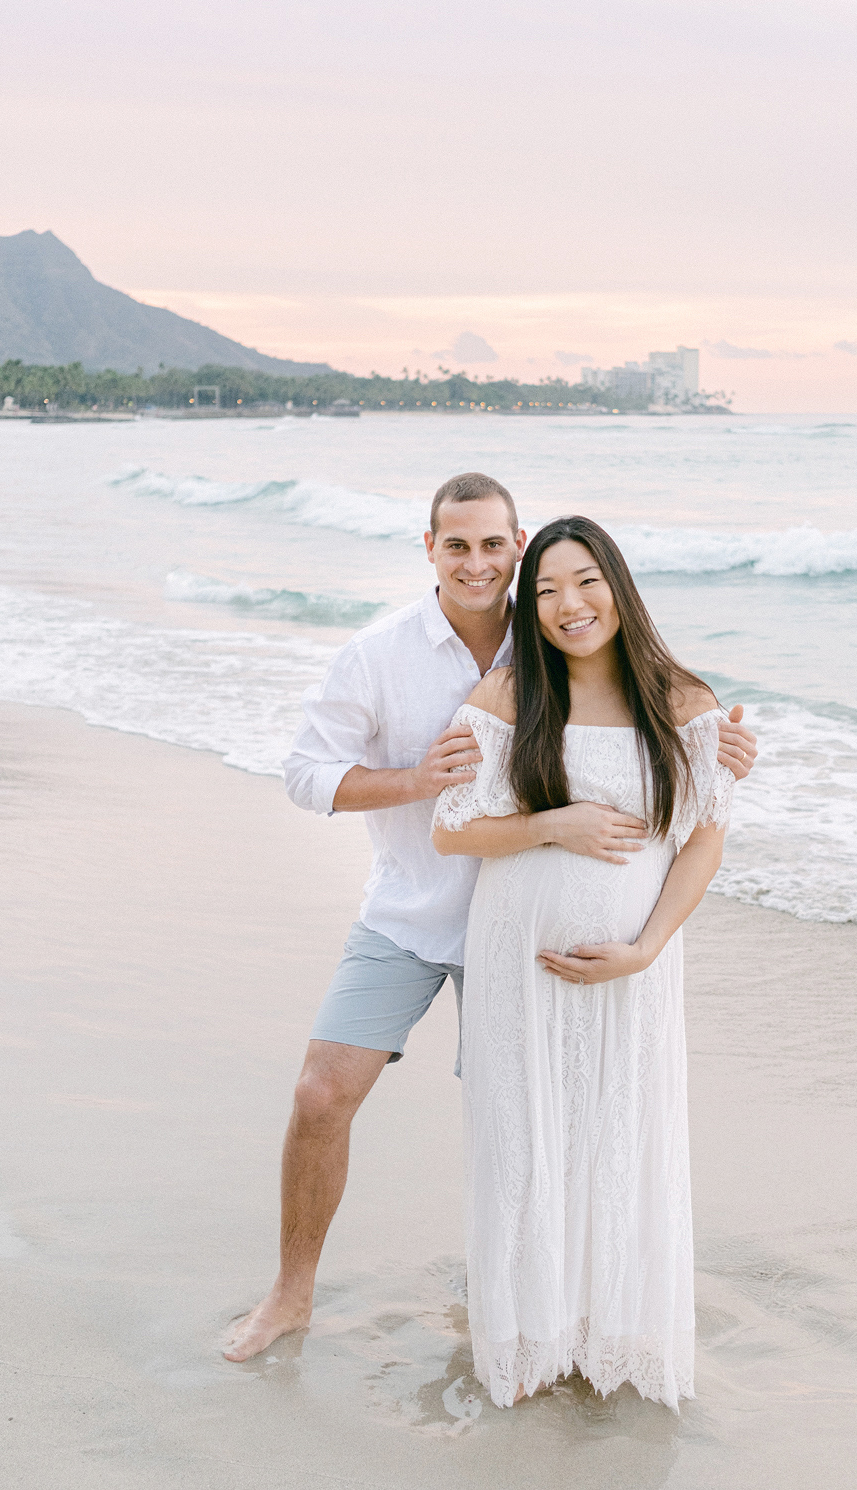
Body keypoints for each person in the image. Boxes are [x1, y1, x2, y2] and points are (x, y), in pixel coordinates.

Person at [223, 474, 756, 1362]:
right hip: (419, 910)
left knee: (538, 1123)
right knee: (321, 1095)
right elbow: (305, 775)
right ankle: (290, 1296)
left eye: (495, 545)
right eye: (457, 544)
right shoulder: (379, 654)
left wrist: (727, 748)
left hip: (534, 937)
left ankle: (535, 1300)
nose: (479, 562)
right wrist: (417, 781)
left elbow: (661, 745)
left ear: (518, 547)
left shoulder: (558, 630)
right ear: (428, 548)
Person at [431, 515, 732, 1410]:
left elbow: (704, 844)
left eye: (587, 581)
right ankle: (529, 1338)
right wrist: (552, 824)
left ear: (619, 586)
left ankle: (612, 1332)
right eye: (550, 589)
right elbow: (453, 830)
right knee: (524, 1145)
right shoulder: (509, 694)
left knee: (618, 1137)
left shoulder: (680, 697)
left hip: (633, 970)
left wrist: (642, 951)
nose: (570, 605)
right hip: (517, 969)